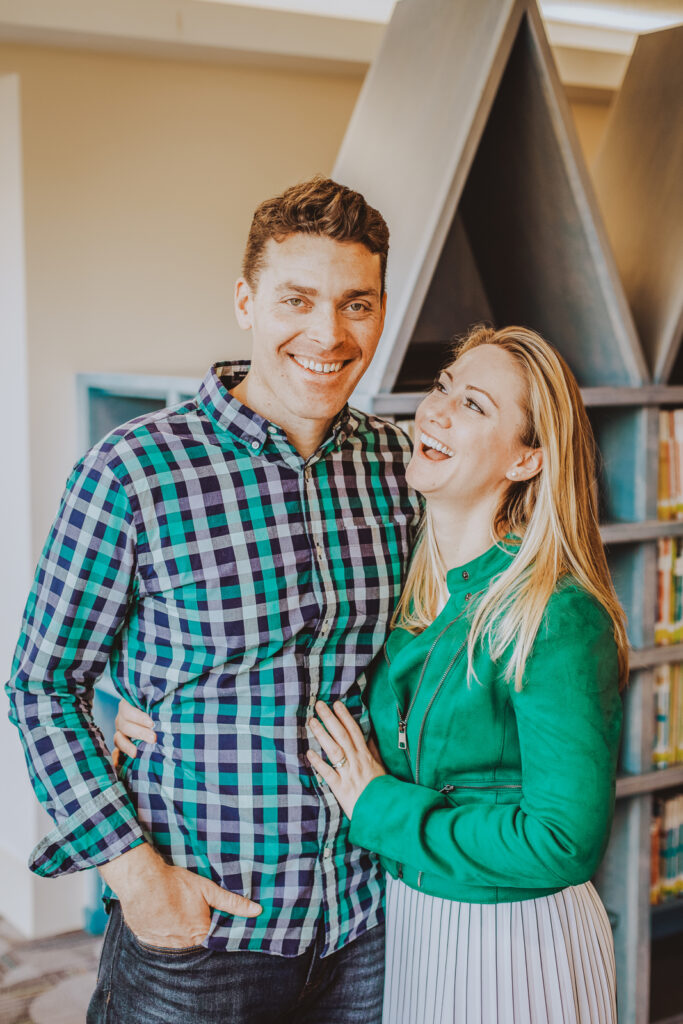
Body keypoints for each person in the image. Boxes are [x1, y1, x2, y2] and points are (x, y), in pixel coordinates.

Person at [6, 176, 422, 1024]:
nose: (328, 334)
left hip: (367, 924)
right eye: (297, 300)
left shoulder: (403, 464)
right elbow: (41, 686)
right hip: (198, 938)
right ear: (245, 301)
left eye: (356, 304)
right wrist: (134, 876)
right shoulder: (133, 470)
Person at [302, 325, 626, 1023]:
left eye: (474, 405)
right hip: (416, 924)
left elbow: (559, 843)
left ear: (526, 460)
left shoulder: (556, 614)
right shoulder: (416, 589)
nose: (435, 410)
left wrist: (377, 805)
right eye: (444, 387)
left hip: (514, 943)